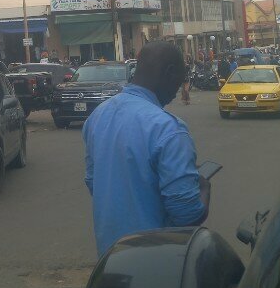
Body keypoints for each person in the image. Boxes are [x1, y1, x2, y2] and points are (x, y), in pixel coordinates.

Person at [82, 41, 210, 257]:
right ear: (169, 73)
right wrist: (205, 188)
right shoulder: (168, 129)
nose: (176, 92)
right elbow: (187, 215)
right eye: (179, 82)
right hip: (155, 262)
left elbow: (94, 182)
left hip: (109, 259)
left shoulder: (98, 115)